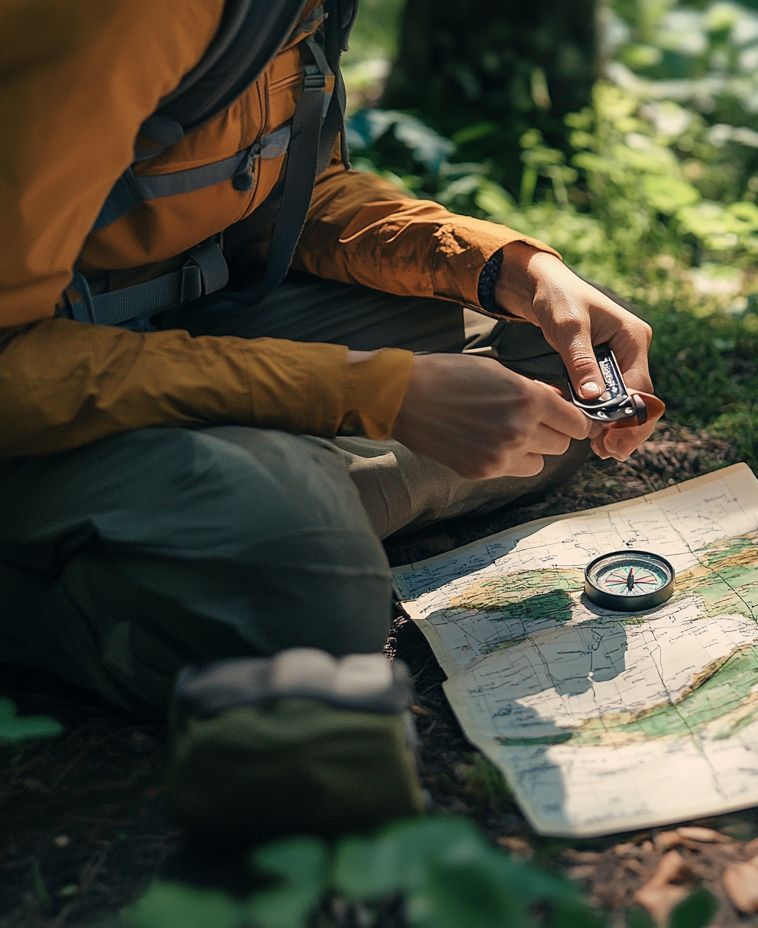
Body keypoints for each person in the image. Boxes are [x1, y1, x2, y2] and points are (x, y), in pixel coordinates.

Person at [0, 0, 662, 716]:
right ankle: (281, 523)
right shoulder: (120, 18)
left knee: (553, 359)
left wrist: (508, 270)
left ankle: (260, 496)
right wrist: (374, 394)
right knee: (308, 593)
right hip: (31, 376)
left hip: (158, 321)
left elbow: (288, 197)